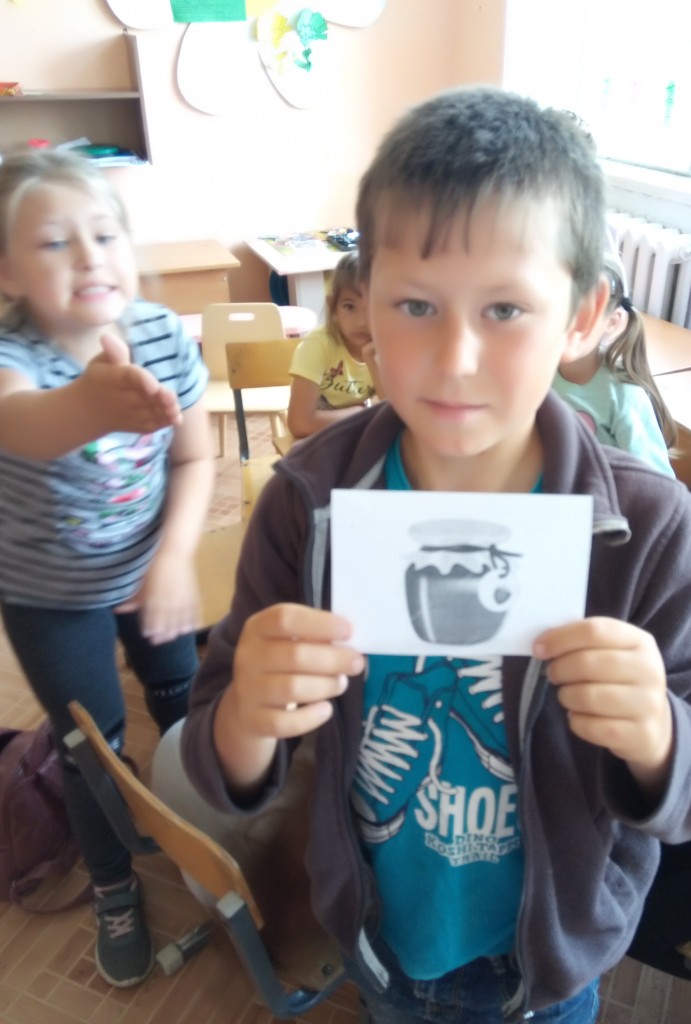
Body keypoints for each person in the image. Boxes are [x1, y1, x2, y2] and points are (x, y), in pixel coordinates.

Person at [174, 87, 691, 1023]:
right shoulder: (307, 504)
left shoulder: (648, 530)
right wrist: (247, 715)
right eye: (415, 304)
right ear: (361, 306)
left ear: (582, 316)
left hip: (550, 961)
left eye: (504, 308)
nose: (454, 357)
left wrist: (656, 733)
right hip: (378, 944)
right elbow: (218, 771)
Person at [0, 150, 214, 988]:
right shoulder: (13, 355)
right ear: (8, 273)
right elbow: (23, 421)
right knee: (92, 749)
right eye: (56, 242)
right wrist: (91, 403)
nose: (90, 256)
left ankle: (203, 824)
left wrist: (175, 558)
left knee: (182, 699)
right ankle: (115, 885)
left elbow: (194, 458)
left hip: (149, 569)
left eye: (105, 234)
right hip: (49, 597)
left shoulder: (160, 331)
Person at [552, 248, 677, 476]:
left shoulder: (624, 395)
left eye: (582, 316)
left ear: (612, 322)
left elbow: (655, 482)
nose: (566, 326)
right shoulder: (538, 374)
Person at [286, 250, 375, 438]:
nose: (361, 322)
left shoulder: (388, 346)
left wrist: (374, 359)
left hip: (356, 432)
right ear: (333, 306)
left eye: (372, 307)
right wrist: (360, 413)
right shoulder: (317, 346)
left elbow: (394, 415)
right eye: (349, 306)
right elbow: (300, 424)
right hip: (317, 438)